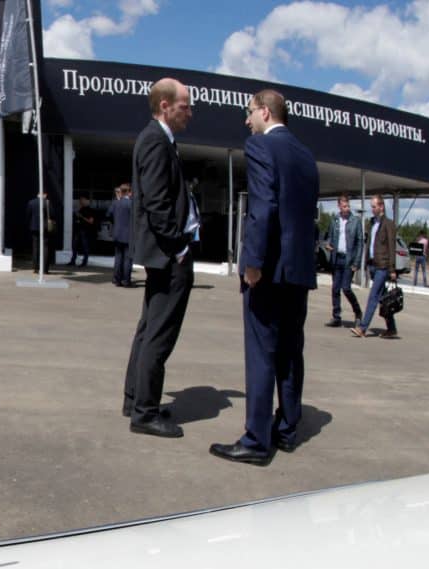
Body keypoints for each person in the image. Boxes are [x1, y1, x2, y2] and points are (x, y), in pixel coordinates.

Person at [209, 89, 319, 466]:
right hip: (299, 272)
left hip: (269, 271)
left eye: (249, 111)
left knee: (261, 354)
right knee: (290, 351)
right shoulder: (306, 155)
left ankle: (256, 439)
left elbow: (263, 207)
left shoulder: (259, 147)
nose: (246, 119)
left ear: (266, 112)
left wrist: (251, 261)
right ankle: (287, 429)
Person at [122, 77, 197, 439]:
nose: (190, 113)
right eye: (185, 106)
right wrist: (179, 246)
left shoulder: (160, 139)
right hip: (169, 256)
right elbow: (156, 201)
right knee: (159, 334)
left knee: (148, 328)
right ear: (165, 106)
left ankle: (136, 399)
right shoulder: (155, 140)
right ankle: (145, 413)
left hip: (162, 255)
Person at [351, 195, 398, 339]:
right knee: (383, 299)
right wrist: (365, 263)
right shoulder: (372, 223)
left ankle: (363, 328)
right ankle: (392, 328)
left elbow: (391, 247)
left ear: (381, 207)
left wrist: (392, 269)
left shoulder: (388, 224)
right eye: (371, 206)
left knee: (373, 297)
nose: (372, 209)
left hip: (383, 266)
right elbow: (369, 244)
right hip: (373, 265)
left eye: (374, 206)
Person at [324, 194, 363, 326]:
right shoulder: (335, 219)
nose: (346, 208)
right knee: (335, 289)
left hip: (348, 259)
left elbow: (360, 243)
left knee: (346, 288)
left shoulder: (355, 221)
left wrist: (356, 263)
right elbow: (329, 236)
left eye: (348, 206)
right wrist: (328, 244)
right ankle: (336, 316)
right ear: (339, 206)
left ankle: (358, 313)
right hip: (337, 258)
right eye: (344, 206)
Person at [107, 184, 134, 287]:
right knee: (128, 258)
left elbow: (108, 214)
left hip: (117, 234)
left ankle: (117, 279)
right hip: (128, 235)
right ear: (129, 192)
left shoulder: (115, 203)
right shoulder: (131, 204)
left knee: (118, 257)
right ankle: (126, 280)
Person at [27, 190, 53, 274]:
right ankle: (45, 269)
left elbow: (28, 215)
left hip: (34, 227)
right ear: (45, 195)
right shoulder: (47, 203)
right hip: (45, 228)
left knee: (35, 247)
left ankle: (36, 268)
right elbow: (52, 215)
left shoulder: (31, 202)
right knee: (45, 247)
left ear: (37, 194)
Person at [66, 193, 95, 267]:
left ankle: (84, 261)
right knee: (74, 246)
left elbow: (91, 221)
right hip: (78, 230)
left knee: (85, 246)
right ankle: (73, 260)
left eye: (82, 200)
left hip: (85, 230)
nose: (81, 202)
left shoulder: (90, 210)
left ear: (86, 200)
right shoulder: (80, 209)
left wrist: (82, 217)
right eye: (80, 200)